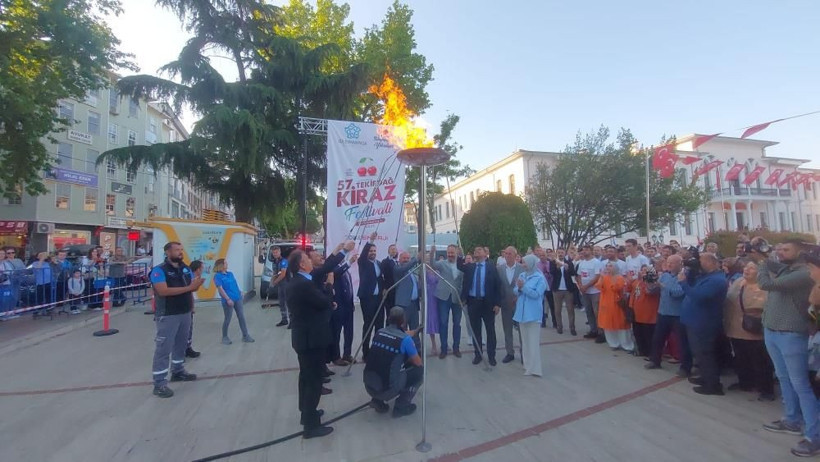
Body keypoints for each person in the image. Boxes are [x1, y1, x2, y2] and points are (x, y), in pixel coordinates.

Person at [750, 238, 818, 457]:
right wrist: (765, 255)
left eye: (785, 249)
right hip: (773, 331)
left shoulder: (803, 274)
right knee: (783, 377)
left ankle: (814, 435)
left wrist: (761, 264)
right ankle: (791, 419)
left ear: (800, 253)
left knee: (800, 384)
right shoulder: (789, 269)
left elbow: (767, 284)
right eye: (779, 247)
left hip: (791, 334)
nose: (780, 251)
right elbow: (775, 265)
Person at [286, 249, 335, 438]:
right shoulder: (303, 285)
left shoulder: (298, 281)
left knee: (306, 377)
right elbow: (323, 302)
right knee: (313, 381)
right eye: (307, 259)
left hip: (304, 338)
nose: (310, 261)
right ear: (301, 265)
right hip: (311, 339)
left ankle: (307, 413)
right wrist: (330, 286)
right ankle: (311, 427)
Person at [149, 242, 203, 398]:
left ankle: (178, 371)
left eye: (181, 250)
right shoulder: (159, 270)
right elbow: (163, 291)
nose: (180, 252)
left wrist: (196, 285)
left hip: (184, 312)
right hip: (168, 314)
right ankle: (159, 383)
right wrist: (189, 288)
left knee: (181, 344)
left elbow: (192, 288)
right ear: (167, 252)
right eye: (177, 250)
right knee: (164, 348)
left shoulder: (185, 268)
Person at [723, 261, 774, 401]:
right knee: (741, 358)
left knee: (760, 361)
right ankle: (745, 383)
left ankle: (766, 389)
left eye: (752, 268)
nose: (747, 269)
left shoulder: (765, 286)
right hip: (735, 328)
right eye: (746, 266)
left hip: (754, 331)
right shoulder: (738, 281)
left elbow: (765, 305)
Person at [679, 252, 728, 396]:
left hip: (704, 322)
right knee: (699, 353)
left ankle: (713, 385)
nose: (699, 263)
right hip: (695, 320)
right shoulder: (706, 276)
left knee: (705, 353)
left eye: (701, 261)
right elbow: (693, 283)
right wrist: (692, 272)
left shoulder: (716, 280)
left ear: (711, 263)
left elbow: (698, 296)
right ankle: (706, 377)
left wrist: (682, 283)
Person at [364, 306, 424, 418]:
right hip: (388, 389)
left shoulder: (379, 332)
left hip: (369, 385)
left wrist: (416, 331)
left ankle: (377, 400)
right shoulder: (405, 340)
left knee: (383, 363)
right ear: (403, 321)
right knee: (419, 372)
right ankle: (401, 406)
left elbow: (399, 334)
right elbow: (418, 362)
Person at [645, 255, 691, 377]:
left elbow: (678, 293)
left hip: (677, 314)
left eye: (672, 263)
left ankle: (685, 368)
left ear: (680, 263)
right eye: (668, 262)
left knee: (682, 342)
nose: (669, 265)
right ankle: (655, 361)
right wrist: (651, 284)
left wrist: (662, 285)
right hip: (663, 312)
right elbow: (653, 291)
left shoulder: (683, 277)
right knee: (658, 339)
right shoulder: (665, 275)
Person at [459, 246, 503, 366]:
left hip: (488, 304)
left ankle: (491, 355)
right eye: (475, 250)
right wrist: (459, 253)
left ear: (485, 254)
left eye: (479, 250)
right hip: (473, 303)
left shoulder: (491, 267)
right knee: (476, 330)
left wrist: (498, 304)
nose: (476, 251)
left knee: (490, 330)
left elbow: (497, 286)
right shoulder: (470, 267)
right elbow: (459, 266)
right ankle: (478, 354)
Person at [514, 254, 547, 376]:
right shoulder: (522, 275)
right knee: (525, 341)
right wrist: (519, 288)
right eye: (522, 263)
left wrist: (523, 288)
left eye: (525, 263)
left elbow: (536, 294)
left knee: (533, 342)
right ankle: (527, 365)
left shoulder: (539, 278)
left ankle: (535, 368)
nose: (523, 265)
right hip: (522, 313)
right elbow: (515, 290)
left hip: (533, 314)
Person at [431, 245, 463, 359]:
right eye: (448, 253)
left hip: (457, 298)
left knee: (457, 324)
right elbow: (432, 265)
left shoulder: (461, 264)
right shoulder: (442, 263)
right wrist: (432, 253)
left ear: (457, 252)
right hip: (443, 297)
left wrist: (463, 297)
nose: (450, 255)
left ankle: (456, 348)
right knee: (443, 323)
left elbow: (464, 280)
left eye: (452, 253)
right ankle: (443, 349)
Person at [357, 232, 385, 362]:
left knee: (379, 325)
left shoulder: (378, 263)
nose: (372, 252)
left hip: (379, 299)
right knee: (368, 325)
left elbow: (380, 279)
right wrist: (370, 240)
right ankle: (366, 352)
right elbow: (363, 255)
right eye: (370, 250)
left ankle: (377, 350)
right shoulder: (363, 262)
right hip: (367, 299)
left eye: (374, 250)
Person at [214, 258, 254, 345]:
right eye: (225, 263)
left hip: (237, 298)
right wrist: (227, 299)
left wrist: (240, 292)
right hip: (228, 300)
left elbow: (235, 284)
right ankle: (224, 337)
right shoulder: (218, 276)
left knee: (241, 316)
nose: (227, 264)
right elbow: (220, 289)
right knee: (228, 318)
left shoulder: (230, 274)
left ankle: (245, 335)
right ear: (221, 265)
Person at [595, 262, 633, 351]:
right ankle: (613, 344)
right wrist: (601, 277)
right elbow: (598, 286)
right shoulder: (604, 277)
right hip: (606, 305)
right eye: (607, 266)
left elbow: (616, 288)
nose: (608, 267)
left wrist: (612, 279)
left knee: (621, 325)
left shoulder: (620, 278)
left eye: (610, 266)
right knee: (608, 326)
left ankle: (626, 345)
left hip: (617, 305)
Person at [497, 246, 524, 363]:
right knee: (507, 329)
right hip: (505, 304)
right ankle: (510, 352)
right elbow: (498, 287)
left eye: (509, 254)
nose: (507, 256)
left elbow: (526, 285)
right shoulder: (499, 269)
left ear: (515, 255)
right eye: (506, 254)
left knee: (521, 330)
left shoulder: (522, 269)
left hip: (519, 304)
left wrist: (519, 297)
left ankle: (524, 353)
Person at [332, 252, 358, 365]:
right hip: (339, 306)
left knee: (349, 332)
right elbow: (337, 273)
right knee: (336, 333)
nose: (343, 258)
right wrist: (349, 262)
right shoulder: (334, 269)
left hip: (348, 306)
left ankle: (347, 354)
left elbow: (349, 288)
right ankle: (336, 356)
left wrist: (352, 304)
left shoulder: (346, 270)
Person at [630, 265, 660, 357]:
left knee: (648, 335)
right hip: (637, 312)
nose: (644, 273)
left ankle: (650, 353)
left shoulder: (654, 283)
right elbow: (632, 293)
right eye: (642, 270)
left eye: (646, 271)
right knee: (638, 333)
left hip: (649, 314)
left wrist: (647, 280)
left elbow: (649, 292)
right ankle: (641, 350)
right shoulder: (637, 282)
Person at [576, 245, 603, 341]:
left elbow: (597, 276)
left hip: (594, 291)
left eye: (587, 250)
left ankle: (601, 332)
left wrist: (586, 286)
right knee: (588, 311)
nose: (584, 251)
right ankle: (593, 330)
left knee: (597, 312)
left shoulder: (596, 262)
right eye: (583, 250)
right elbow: (579, 275)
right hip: (585, 291)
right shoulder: (582, 263)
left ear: (591, 251)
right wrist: (580, 285)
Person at [550, 249, 577, 335]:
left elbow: (573, 273)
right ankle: (559, 327)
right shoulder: (553, 262)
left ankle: (572, 327)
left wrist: (567, 269)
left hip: (568, 290)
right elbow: (551, 272)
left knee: (570, 309)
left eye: (562, 253)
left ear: (565, 253)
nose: (560, 254)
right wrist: (557, 268)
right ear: (557, 253)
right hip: (557, 290)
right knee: (557, 310)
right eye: (559, 253)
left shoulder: (569, 262)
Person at [394, 251, 421, 330]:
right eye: (404, 258)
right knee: (402, 328)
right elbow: (404, 268)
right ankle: (404, 342)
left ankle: (415, 342)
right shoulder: (397, 269)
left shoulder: (411, 271)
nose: (406, 260)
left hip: (414, 305)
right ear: (399, 259)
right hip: (403, 305)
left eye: (408, 258)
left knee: (415, 329)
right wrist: (416, 259)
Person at [185, 260, 203, 358]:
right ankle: (181, 352)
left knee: (189, 328)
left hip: (188, 305)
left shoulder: (194, 277)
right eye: (202, 268)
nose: (203, 270)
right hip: (183, 307)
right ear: (198, 269)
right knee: (185, 329)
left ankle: (188, 348)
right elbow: (190, 290)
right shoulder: (189, 276)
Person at [269, 246, 290, 327]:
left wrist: (275, 283)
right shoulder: (275, 262)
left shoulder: (284, 261)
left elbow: (283, 274)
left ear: (280, 252)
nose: (275, 254)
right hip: (280, 285)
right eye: (273, 253)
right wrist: (271, 282)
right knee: (281, 302)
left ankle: (292, 321)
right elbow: (275, 273)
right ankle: (284, 319)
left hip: (286, 283)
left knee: (288, 302)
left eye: (276, 252)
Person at [425, 254, 440, 357]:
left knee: (442, 320)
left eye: (429, 259)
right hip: (430, 297)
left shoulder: (437, 271)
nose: (428, 261)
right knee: (432, 321)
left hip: (439, 296)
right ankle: (434, 345)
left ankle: (444, 343)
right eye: (426, 259)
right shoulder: (423, 272)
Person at [381, 244, 399, 310]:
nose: (394, 251)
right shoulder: (385, 261)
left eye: (395, 249)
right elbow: (382, 276)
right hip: (390, 290)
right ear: (388, 251)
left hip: (397, 290)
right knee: (390, 310)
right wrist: (384, 288)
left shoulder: (398, 262)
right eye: (392, 249)